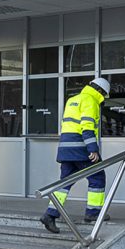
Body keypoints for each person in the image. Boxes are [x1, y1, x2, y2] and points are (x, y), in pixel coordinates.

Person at [40, 77, 110, 233]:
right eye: (104, 95)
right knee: (97, 176)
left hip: (66, 149)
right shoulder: (90, 100)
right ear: (100, 91)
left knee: (64, 183)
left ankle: (50, 215)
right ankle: (93, 212)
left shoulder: (72, 99)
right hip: (81, 149)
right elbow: (87, 127)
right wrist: (93, 149)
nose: (103, 99)